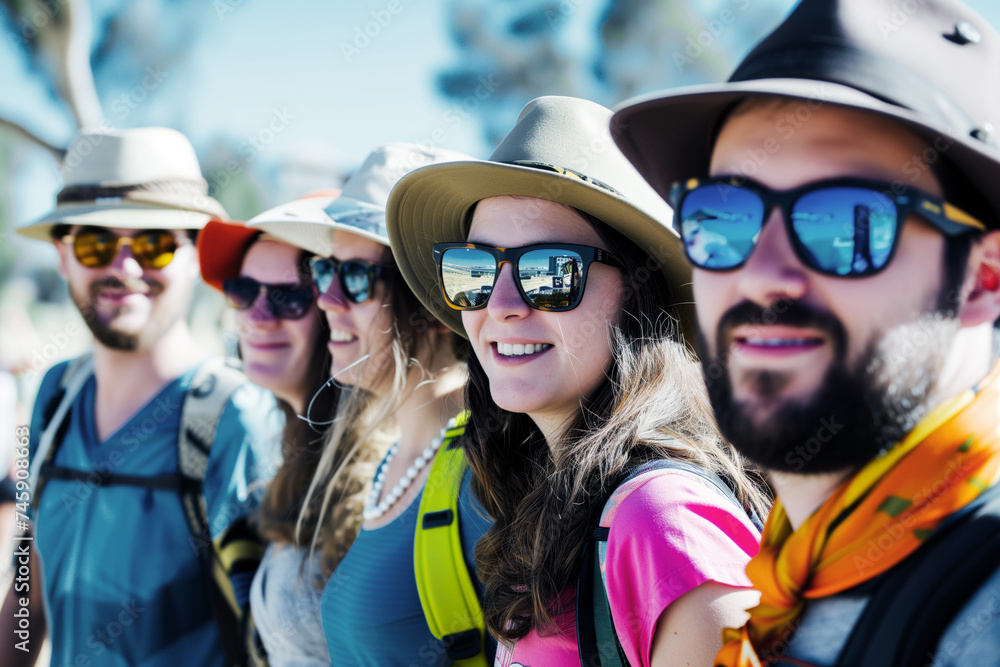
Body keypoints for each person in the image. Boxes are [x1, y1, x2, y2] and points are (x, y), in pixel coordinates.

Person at [612, 0, 1000, 664]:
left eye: (847, 221)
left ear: (981, 280)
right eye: (723, 215)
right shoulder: (787, 582)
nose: (763, 275)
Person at [387, 96, 769, 667]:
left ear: (639, 294)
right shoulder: (554, 496)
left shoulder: (664, 520)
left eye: (550, 271)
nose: (503, 303)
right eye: (477, 268)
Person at [2, 127, 280, 667]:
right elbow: (25, 576)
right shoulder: (52, 396)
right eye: (95, 243)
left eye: (153, 243)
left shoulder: (237, 419)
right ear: (64, 257)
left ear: (194, 257)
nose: (125, 268)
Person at [250, 143, 496, 666]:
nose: (326, 299)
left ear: (432, 302)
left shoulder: (486, 477)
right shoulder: (397, 462)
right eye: (324, 271)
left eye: (356, 279)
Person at [197, 193, 340, 666]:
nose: (257, 317)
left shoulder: (384, 469)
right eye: (242, 290)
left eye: (289, 297)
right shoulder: (291, 451)